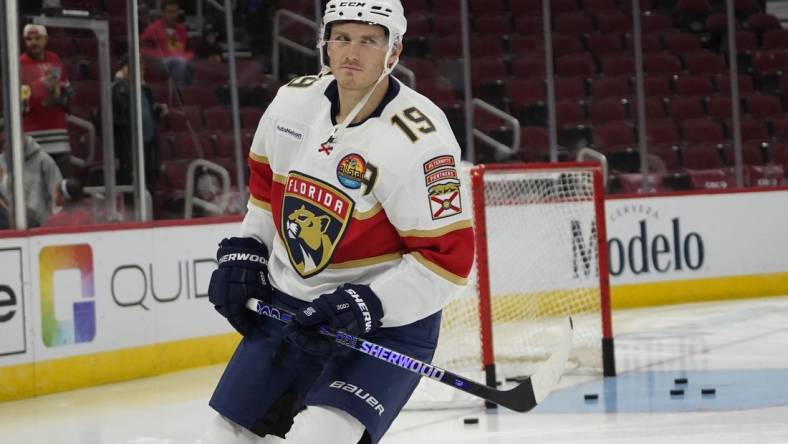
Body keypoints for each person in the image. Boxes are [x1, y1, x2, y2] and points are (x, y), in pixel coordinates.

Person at [205, 1, 474, 443]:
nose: (352, 52)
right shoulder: (293, 102)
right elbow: (265, 196)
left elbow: (447, 262)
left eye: (369, 40)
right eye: (342, 37)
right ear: (324, 43)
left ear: (395, 49)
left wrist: (367, 305)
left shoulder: (421, 139)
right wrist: (247, 250)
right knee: (224, 435)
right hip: (291, 307)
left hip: (384, 326)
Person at [19, 24, 74, 179]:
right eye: (29, 39)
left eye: (37, 38)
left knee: (62, 186)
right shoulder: (20, 63)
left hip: (59, 136)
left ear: (46, 39)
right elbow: (19, 99)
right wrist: (41, 84)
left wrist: (60, 95)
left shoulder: (54, 59)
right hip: (33, 138)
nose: (33, 43)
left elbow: (66, 88)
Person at [111, 56, 167, 190]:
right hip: (128, 149)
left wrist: (157, 111)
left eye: (143, 69)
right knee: (132, 188)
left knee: (148, 185)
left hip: (148, 147)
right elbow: (113, 126)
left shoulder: (146, 90)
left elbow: (146, 113)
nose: (142, 72)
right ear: (125, 69)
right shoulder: (116, 91)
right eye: (138, 69)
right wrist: (115, 155)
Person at [0, 112, 63, 228]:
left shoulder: (43, 160)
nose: (3, 147)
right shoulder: (1, 163)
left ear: (19, 135)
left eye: (5, 141)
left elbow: (57, 198)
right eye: (1, 143)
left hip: (40, 229)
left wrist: (55, 226)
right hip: (10, 227)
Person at [140, 0, 193, 87]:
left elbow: (189, 50)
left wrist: (187, 57)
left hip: (180, 59)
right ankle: (179, 92)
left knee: (187, 63)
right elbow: (142, 48)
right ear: (162, 13)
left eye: (175, 12)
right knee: (179, 62)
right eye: (170, 12)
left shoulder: (182, 30)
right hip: (160, 62)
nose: (173, 15)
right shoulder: (152, 29)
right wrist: (158, 55)